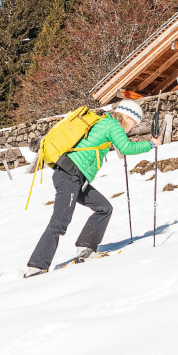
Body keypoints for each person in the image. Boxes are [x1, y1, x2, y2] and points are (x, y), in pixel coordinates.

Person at [25, 100, 158, 277]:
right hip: (69, 175)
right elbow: (126, 147)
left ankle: (85, 249)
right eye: (134, 123)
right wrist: (151, 144)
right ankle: (37, 265)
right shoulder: (112, 125)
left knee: (104, 208)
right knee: (60, 221)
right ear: (127, 117)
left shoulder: (105, 123)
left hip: (75, 177)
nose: (133, 128)